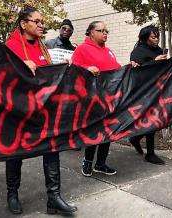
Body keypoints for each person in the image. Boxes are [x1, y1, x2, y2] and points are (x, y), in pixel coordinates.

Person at [5, 5, 77, 215]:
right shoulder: (10, 46)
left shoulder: (43, 47)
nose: (41, 25)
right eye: (36, 21)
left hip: (43, 110)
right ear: (23, 23)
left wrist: (61, 67)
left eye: (42, 22)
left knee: (51, 148)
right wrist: (19, 66)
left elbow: (45, 74)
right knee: (15, 153)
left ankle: (54, 198)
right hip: (18, 111)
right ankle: (12, 194)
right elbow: (1, 77)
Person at [72, 21, 119, 177]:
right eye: (101, 30)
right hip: (91, 99)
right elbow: (72, 70)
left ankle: (100, 164)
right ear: (91, 32)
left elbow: (118, 71)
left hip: (109, 99)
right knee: (94, 131)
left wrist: (130, 66)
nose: (105, 33)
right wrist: (87, 69)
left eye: (107, 30)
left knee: (108, 132)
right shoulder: (82, 49)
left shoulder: (109, 51)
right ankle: (88, 162)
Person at [128, 25, 166, 165]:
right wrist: (154, 62)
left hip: (158, 90)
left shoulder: (159, 50)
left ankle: (136, 139)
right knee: (152, 120)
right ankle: (150, 153)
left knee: (159, 120)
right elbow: (137, 72)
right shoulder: (138, 52)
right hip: (143, 92)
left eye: (157, 36)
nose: (156, 39)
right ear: (145, 38)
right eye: (153, 36)